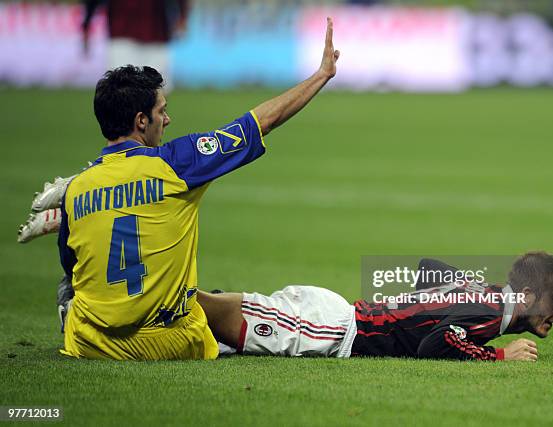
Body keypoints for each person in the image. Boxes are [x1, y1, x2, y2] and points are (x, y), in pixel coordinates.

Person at [41, 18, 341, 361]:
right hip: (166, 343)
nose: (166, 120)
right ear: (141, 121)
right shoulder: (176, 162)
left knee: (71, 286)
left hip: (92, 345)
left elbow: (73, 267)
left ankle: (70, 317)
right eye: (161, 111)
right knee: (204, 306)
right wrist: (320, 76)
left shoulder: (77, 189)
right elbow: (261, 122)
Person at [197, 252, 553, 361]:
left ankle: (176, 300)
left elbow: (429, 267)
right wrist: (500, 357)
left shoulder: (487, 294)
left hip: (331, 316)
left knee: (217, 334)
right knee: (217, 316)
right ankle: (167, 293)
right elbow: (435, 344)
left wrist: (425, 308)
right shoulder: (492, 312)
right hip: (332, 330)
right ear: (526, 296)